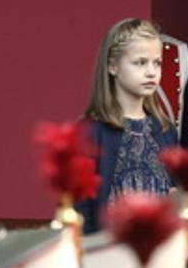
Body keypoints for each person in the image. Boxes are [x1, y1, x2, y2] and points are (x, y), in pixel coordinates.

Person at [75, 18, 177, 234]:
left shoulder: (166, 130)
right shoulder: (90, 132)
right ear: (113, 66)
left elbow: (175, 195)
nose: (151, 72)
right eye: (140, 62)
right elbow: (81, 208)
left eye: (157, 62)